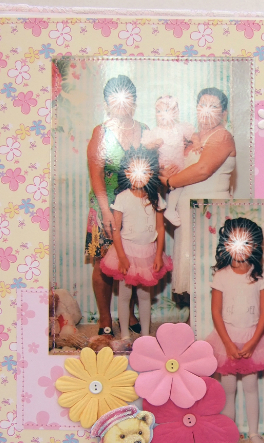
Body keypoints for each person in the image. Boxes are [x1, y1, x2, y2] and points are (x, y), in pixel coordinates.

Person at [86, 74, 153, 336]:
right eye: (115, 99)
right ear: (106, 103)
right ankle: (105, 318)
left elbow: (154, 169)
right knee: (104, 262)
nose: (121, 104)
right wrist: (106, 213)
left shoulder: (145, 130)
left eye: (127, 98)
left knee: (136, 260)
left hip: (137, 205)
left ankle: (131, 314)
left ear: (134, 101)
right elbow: (96, 175)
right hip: (105, 205)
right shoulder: (100, 132)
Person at [205, 218, 264, 443]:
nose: (240, 247)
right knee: (228, 389)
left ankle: (254, 433)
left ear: (255, 246)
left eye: (246, 242)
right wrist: (227, 344)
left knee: (250, 388)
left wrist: (253, 343)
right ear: (226, 244)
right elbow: (216, 312)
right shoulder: (221, 275)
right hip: (225, 340)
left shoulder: (259, 276)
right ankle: (229, 433)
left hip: (252, 340)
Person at [159, 87, 236, 295]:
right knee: (193, 272)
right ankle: (195, 313)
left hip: (210, 212)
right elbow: (173, 162)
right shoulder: (190, 137)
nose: (206, 110)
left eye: (213, 106)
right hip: (186, 211)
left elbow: (203, 169)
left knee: (210, 267)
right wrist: (164, 171)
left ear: (224, 113)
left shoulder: (222, 136)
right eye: (202, 105)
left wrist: (169, 181)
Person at [100, 147, 172, 339]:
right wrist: (122, 257)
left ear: (151, 174)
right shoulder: (122, 198)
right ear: (126, 173)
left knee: (144, 296)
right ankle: (124, 334)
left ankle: (146, 335)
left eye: (144, 171)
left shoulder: (155, 198)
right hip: (126, 252)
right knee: (124, 295)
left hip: (148, 253)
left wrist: (158, 255)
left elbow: (160, 229)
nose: (139, 176)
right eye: (134, 171)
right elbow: (116, 230)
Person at [141, 95, 194, 227]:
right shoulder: (155, 132)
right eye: (158, 111)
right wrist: (154, 143)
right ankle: (164, 207)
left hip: (179, 165)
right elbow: (145, 146)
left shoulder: (180, 128)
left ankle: (169, 208)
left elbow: (194, 136)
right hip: (163, 165)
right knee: (160, 186)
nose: (162, 115)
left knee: (179, 184)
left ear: (175, 112)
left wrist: (196, 143)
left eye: (166, 110)